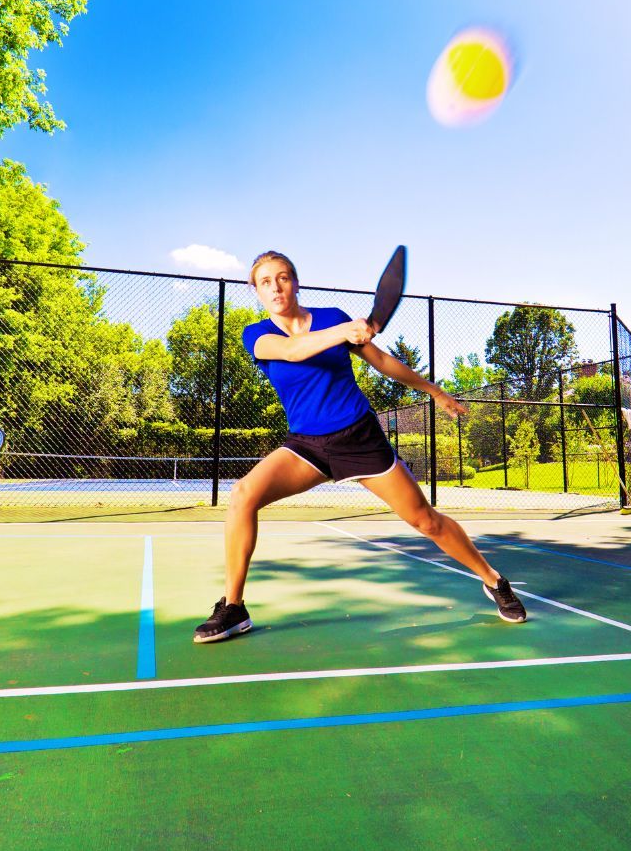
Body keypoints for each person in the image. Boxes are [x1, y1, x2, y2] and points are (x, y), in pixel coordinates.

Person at [193, 250, 527, 642]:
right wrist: (347, 331)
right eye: (265, 282)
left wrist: (432, 390)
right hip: (307, 446)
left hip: (360, 437)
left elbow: (382, 361)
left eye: (283, 277)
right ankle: (234, 607)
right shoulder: (257, 335)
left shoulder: (333, 316)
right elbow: (293, 351)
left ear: (296, 282)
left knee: (425, 520)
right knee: (242, 494)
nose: (276, 287)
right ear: (257, 291)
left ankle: (494, 580)